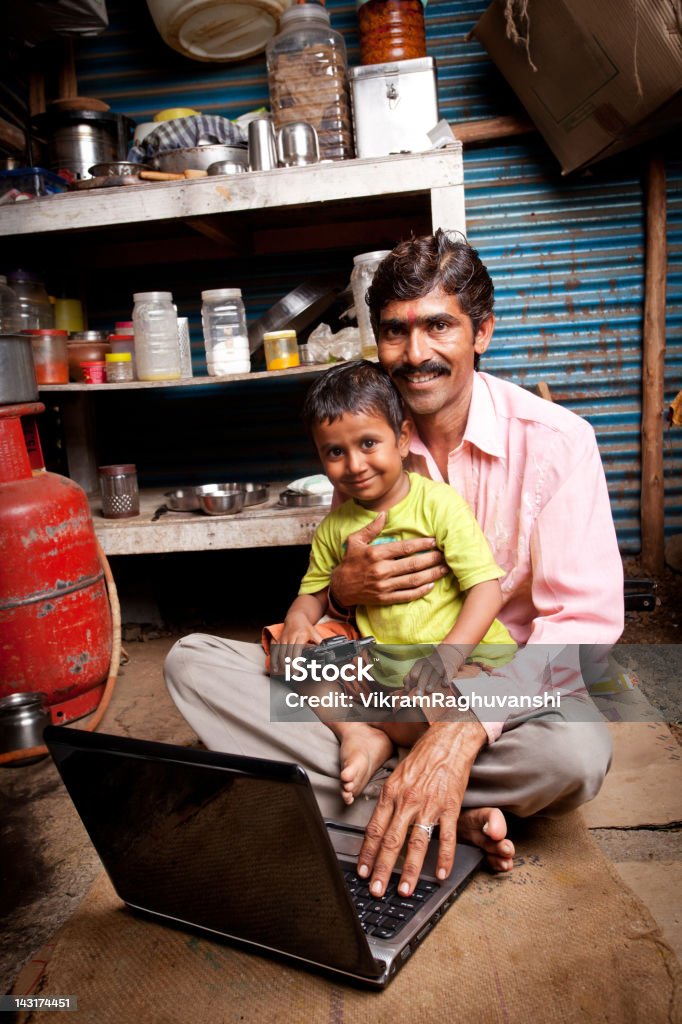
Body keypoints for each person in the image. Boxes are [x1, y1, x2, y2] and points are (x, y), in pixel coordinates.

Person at [165, 230, 623, 900]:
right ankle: (431, 805)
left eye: (439, 326)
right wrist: (342, 596)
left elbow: (580, 631)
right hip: (379, 677)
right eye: (394, 332)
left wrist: (463, 729)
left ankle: (371, 789)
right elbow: (325, 589)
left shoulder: (559, 445)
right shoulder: (365, 439)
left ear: (482, 332)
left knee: (577, 754)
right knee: (194, 665)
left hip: (498, 682)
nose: (415, 355)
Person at [276, 359, 517, 806]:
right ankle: (360, 733)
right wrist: (296, 622)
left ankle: (395, 751)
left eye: (369, 443)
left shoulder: (439, 505)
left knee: (454, 705)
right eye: (334, 452)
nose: (354, 465)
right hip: (385, 674)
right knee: (287, 657)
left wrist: (448, 656)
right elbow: (312, 594)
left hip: (464, 665)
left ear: (403, 439)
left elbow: (487, 589)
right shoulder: (335, 527)